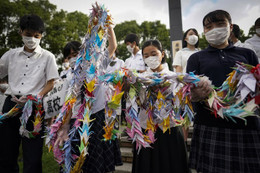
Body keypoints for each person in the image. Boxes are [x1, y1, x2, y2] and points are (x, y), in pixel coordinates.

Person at [187, 10, 260, 173]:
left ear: (230, 27)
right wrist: (195, 95)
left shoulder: (247, 54)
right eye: (208, 27)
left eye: (220, 24)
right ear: (204, 31)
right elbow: (189, 92)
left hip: (245, 125)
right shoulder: (196, 58)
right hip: (210, 124)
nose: (214, 29)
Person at [132, 39, 211, 173]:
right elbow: (138, 102)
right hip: (146, 130)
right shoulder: (139, 79)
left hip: (170, 130)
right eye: (146, 56)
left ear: (162, 54)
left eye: (153, 53)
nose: (150, 58)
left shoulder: (176, 77)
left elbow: (185, 101)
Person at [55, 25, 122, 173]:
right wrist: (65, 125)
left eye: (75, 53)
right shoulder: (68, 77)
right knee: (77, 160)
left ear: (83, 52)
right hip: (76, 121)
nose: (73, 58)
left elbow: (112, 46)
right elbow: (69, 103)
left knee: (96, 162)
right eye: (69, 56)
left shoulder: (97, 65)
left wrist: (109, 27)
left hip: (97, 118)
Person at [0, 14, 59, 173]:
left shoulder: (48, 57)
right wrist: (4, 91)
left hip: (34, 107)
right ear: (21, 32)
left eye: (36, 36)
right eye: (28, 35)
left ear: (41, 36)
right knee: (6, 153)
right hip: (11, 105)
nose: (32, 39)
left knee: (32, 156)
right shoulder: (11, 55)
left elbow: (51, 82)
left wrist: (37, 97)